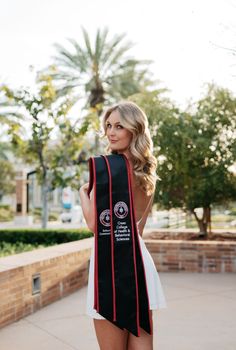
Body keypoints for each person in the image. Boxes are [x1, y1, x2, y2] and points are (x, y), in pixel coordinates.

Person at [79, 101, 167, 350]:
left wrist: (82, 194)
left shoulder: (106, 169)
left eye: (119, 126)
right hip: (139, 265)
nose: (111, 132)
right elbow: (138, 230)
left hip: (110, 268)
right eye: (108, 126)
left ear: (134, 129)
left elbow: (95, 225)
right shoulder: (148, 171)